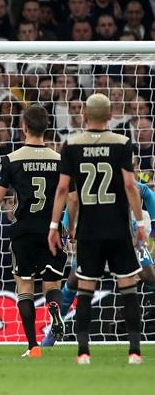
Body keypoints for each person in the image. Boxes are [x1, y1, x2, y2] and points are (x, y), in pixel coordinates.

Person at [48, 93, 147, 365]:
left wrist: (55, 225)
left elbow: (64, 190)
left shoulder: (71, 145)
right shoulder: (122, 143)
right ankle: (135, 351)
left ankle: (82, 352)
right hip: (117, 228)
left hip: (88, 231)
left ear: (84, 115)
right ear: (111, 115)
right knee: (127, 287)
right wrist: (140, 223)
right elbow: (130, 185)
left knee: (85, 289)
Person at [0, 105, 72, 358]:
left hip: (23, 231)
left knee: (25, 287)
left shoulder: (11, 159)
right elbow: (72, 199)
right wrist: (71, 228)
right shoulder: (60, 160)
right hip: (53, 229)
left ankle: (32, 347)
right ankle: (55, 312)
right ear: (46, 127)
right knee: (52, 283)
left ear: (24, 127)